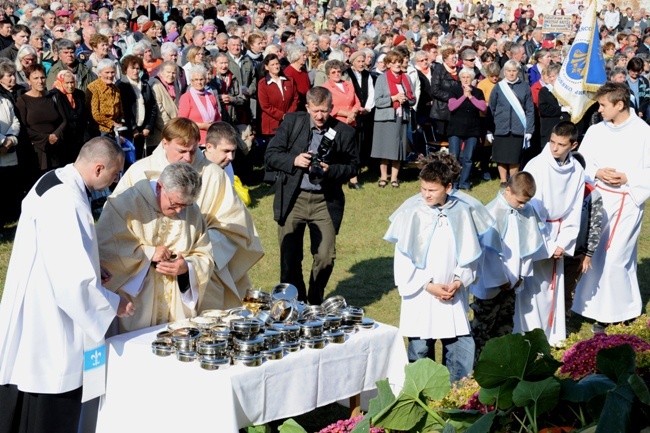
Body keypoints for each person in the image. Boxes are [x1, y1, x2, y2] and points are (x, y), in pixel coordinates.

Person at [0, 137, 134, 433]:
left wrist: (91, 262)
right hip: (51, 319)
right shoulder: (68, 201)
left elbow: (59, 249)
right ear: (98, 168)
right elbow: (74, 285)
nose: (116, 180)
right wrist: (114, 305)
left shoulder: (55, 179)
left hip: (37, 294)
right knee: (51, 399)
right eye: (114, 175)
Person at [112, 117, 264, 311]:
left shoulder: (213, 175)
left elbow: (234, 227)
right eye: (181, 151)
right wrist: (147, 252)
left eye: (192, 151)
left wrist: (192, 262)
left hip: (196, 280)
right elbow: (116, 227)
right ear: (165, 144)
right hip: (144, 278)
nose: (187, 157)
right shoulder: (139, 173)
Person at [384, 158, 481, 383]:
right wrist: (428, 285)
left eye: (432, 190)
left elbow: (470, 253)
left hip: (452, 294)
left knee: (460, 349)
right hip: (421, 294)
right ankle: (423, 397)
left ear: (448, 187)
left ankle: (456, 397)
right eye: (423, 189)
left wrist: (458, 281)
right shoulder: (412, 212)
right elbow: (404, 258)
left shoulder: (461, 211)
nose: (426, 195)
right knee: (419, 350)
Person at [264, 86, 358, 305]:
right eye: (315, 111)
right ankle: (293, 302)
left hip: (324, 201)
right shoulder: (292, 123)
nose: (319, 116)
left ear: (331, 108)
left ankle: (315, 300)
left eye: (324, 111)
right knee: (290, 257)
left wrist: (331, 170)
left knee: (325, 256)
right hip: (294, 198)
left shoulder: (344, 132)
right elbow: (270, 155)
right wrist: (294, 161)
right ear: (307, 107)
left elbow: (353, 166)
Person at [97, 162, 213, 334]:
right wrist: (148, 252)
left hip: (176, 308)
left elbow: (204, 253)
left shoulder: (192, 211)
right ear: (160, 187)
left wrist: (186, 268)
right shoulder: (125, 204)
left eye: (185, 205)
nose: (179, 210)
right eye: (174, 204)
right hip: (136, 303)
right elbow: (106, 249)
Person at [572, 82, 650, 330]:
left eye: (604, 105)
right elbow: (582, 162)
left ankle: (615, 313)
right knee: (594, 255)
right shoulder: (597, 130)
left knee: (617, 257)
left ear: (619, 104)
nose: (600, 109)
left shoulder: (643, 133)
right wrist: (597, 171)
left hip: (627, 201)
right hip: (599, 200)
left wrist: (629, 178)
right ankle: (591, 306)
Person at [516, 121, 584, 345]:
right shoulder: (536, 166)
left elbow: (575, 210)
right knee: (532, 289)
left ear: (573, 145)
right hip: (538, 233)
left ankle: (551, 334)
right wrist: (547, 245)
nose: (554, 148)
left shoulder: (577, 171)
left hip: (561, 231)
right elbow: (529, 210)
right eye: (552, 141)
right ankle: (528, 336)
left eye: (561, 144)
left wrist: (563, 243)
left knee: (552, 288)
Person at [470, 171, 544, 361]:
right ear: (508, 190)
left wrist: (521, 275)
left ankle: (502, 363)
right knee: (484, 327)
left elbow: (527, 246)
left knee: (505, 324)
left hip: (513, 281)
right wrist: (500, 280)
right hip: (491, 282)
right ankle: (479, 364)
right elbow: (489, 254)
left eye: (525, 202)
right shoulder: (491, 212)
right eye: (519, 201)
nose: (522, 206)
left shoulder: (525, 211)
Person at [563, 152, 603, 318]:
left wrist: (587, 255)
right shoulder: (559, 189)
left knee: (567, 288)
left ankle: (563, 321)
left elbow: (595, 227)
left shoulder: (592, 195)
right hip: (557, 251)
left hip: (576, 254)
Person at [371, 50, 416, 189]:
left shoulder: (406, 78)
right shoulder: (381, 78)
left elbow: (413, 99)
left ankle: (395, 178)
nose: (397, 64)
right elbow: (378, 101)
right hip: (385, 118)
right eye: (394, 62)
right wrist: (394, 98)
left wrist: (406, 99)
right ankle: (384, 177)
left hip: (401, 117)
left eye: (399, 62)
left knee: (398, 148)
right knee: (384, 149)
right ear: (388, 64)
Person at [487, 59, 534, 187]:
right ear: (504, 72)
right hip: (500, 127)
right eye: (509, 71)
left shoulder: (524, 86)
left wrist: (529, 130)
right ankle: (503, 180)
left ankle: (513, 180)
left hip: (518, 127)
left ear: (518, 72)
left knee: (514, 156)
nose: (511, 73)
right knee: (501, 156)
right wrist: (489, 130)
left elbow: (530, 109)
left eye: (514, 71)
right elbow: (491, 108)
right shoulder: (499, 87)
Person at [16, 63, 67, 176]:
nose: (40, 81)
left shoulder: (54, 96)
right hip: (35, 152)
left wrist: (55, 135)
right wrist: (46, 138)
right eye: (36, 78)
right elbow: (23, 127)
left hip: (56, 149)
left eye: (42, 77)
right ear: (28, 80)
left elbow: (64, 120)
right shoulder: (22, 100)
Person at [447, 68, 486, 191]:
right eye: (463, 77)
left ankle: (465, 182)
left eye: (468, 77)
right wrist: (464, 96)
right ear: (460, 78)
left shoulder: (478, 92)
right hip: (456, 128)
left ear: (472, 79)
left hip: (473, 129)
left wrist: (471, 97)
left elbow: (483, 108)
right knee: (454, 157)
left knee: (468, 158)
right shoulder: (454, 90)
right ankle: (453, 183)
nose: (465, 80)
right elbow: (452, 107)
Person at [117, 55, 157, 159]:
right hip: (128, 131)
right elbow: (125, 109)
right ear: (125, 70)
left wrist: (148, 126)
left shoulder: (145, 85)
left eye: (137, 68)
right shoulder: (121, 86)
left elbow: (152, 106)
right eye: (132, 68)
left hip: (143, 130)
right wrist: (133, 128)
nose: (135, 71)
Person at [257, 53, 299, 141]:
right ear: (267, 67)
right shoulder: (263, 84)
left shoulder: (289, 80)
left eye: (277, 64)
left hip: (289, 121)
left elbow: (295, 99)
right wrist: (282, 116)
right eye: (272, 64)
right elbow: (265, 105)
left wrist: (288, 115)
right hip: (272, 124)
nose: (276, 66)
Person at [51, 70, 87, 164]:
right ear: (60, 82)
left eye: (72, 82)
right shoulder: (54, 95)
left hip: (79, 139)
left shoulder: (79, 94)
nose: (70, 86)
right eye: (67, 83)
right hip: (64, 140)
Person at [178, 64, 221, 144]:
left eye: (201, 79)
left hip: (213, 139)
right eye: (196, 80)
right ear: (191, 81)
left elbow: (218, 117)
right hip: (194, 140)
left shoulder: (211, 96)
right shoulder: (186, 97)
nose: (199, 82)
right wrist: (202, 126)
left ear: (205, 80)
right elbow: (182, 122)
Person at [85, 58, 122, 137]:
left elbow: (121, 111)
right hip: (98, 130)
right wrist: (112, 124)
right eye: (107, 72)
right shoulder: (93, 88)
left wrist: (120, 124)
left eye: (112, 72)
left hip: (114, 130)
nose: (110, 75)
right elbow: (95, 114)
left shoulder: (116, 89)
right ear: (99, 73)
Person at [149, 60, 180, 148]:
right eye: (168, 72)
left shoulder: (175, 84)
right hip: (161, 132)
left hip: (174, 130)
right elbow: (159, 110)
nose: (171, 75)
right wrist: (170, 129)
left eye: (174, 72)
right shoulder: (155, 84)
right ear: (161, 72)